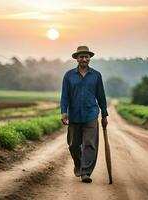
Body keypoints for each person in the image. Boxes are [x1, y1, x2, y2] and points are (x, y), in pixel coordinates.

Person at [60, 45, 108, 183]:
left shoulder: (96, 76)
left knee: (89, 144)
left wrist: (104, 115)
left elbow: (101, 97)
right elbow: (65, 96)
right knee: (73, 144)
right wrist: (64, 112)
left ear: (89, 58)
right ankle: (79, 165)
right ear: (77, 59)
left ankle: (86, 172)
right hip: (74, 115)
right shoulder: (69, 76)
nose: (84, 59)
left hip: (91, 115)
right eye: (81, 56)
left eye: (86, 56)